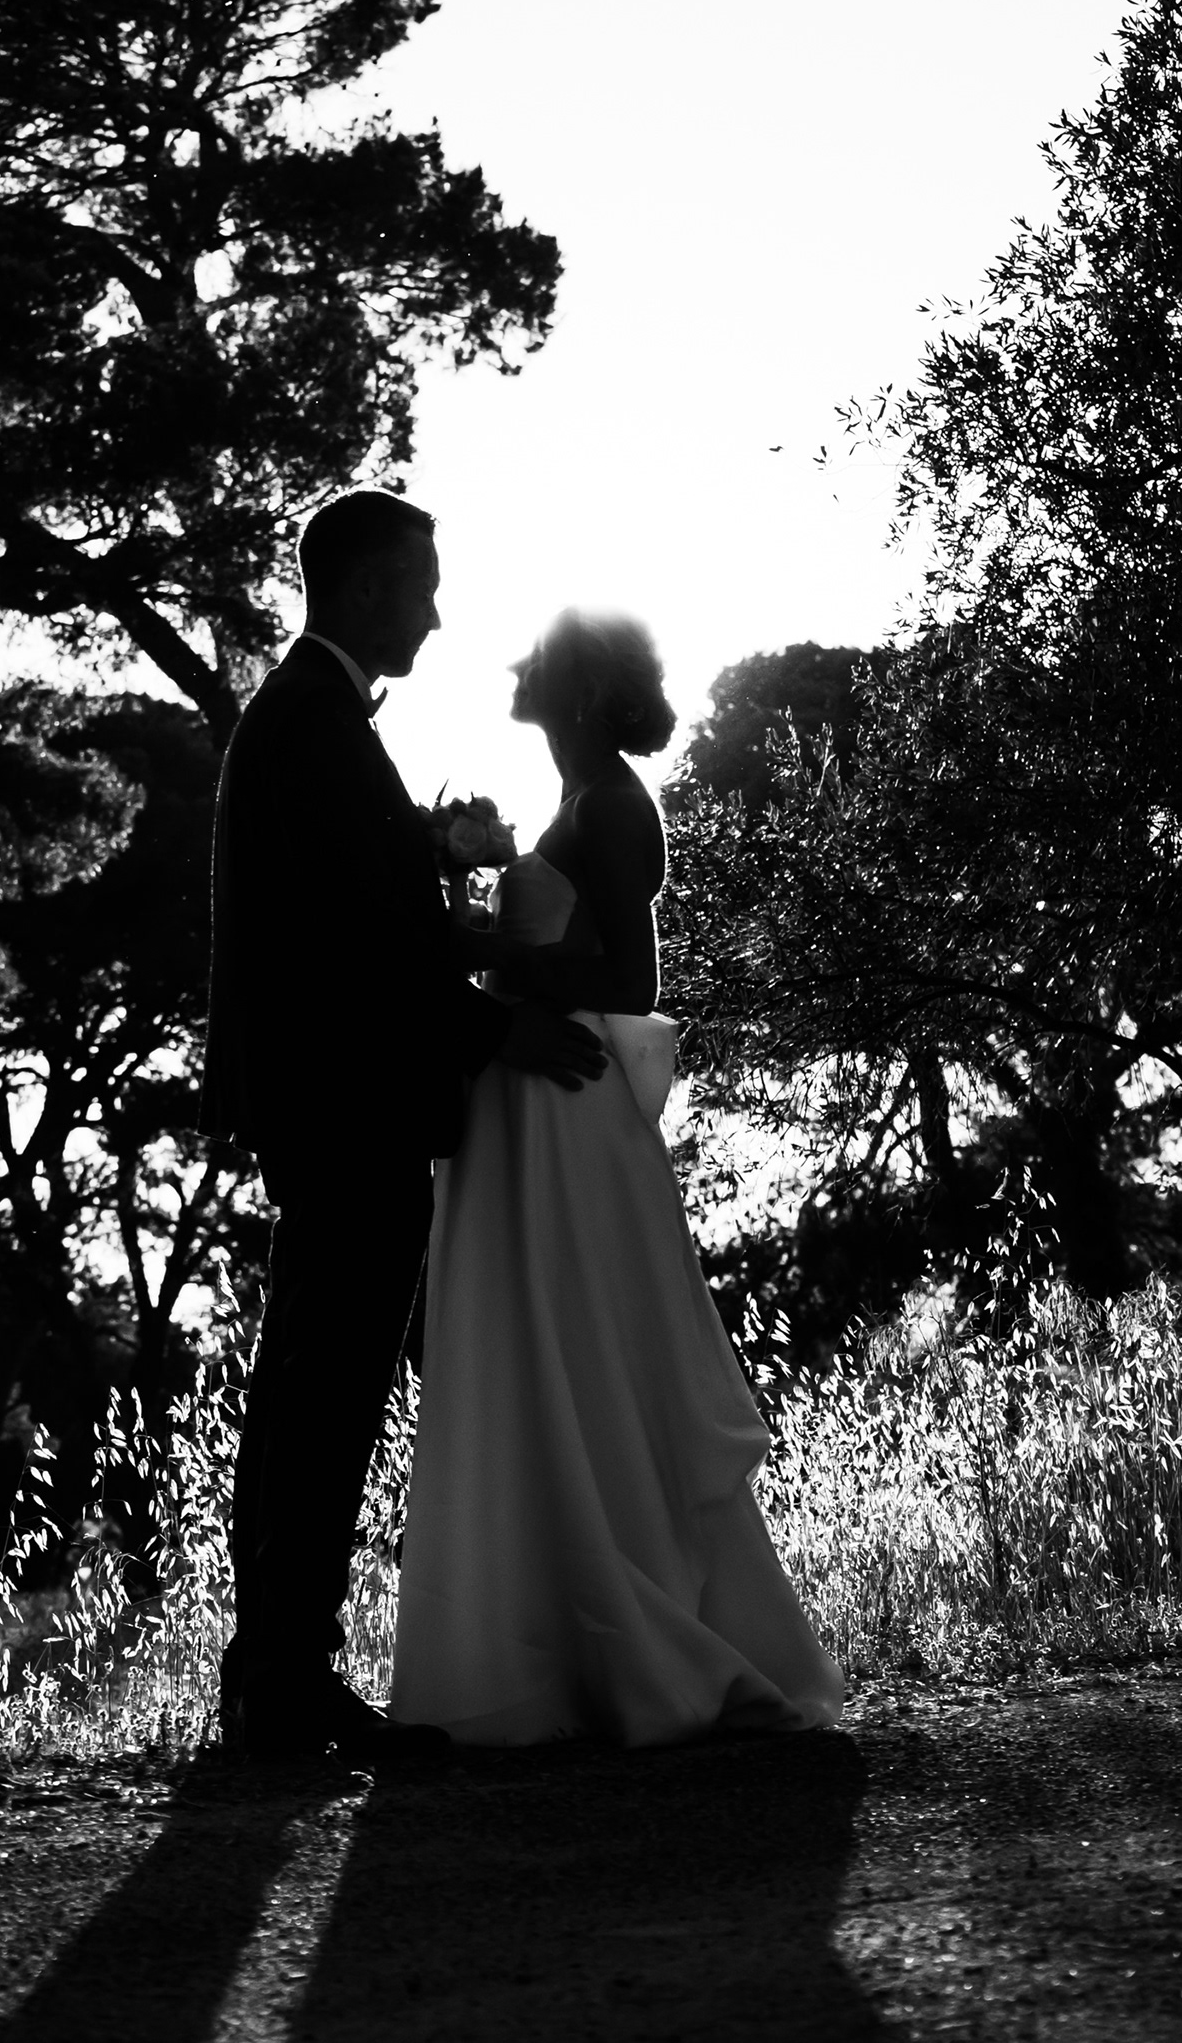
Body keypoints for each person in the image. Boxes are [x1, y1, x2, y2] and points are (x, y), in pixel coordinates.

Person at [387, 607, 846, 1745]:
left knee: (590, 1342)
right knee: (544, 1353)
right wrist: (465, 905)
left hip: (569, 1099)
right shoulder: (574, 805)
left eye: (540, 660)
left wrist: (476, 950)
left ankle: (649, 1625)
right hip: (529, 1100)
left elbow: (626, 976)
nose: (515, 664)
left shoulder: (616, 808)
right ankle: (568, 1636)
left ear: (583, 694)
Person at [206, 489, 606, 1762]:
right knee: (326, 1392)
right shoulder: (312, 726)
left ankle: (275, 1677)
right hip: (349, 1101)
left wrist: (438, 875)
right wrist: (499, 1028)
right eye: (422, 584)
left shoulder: (307, 722)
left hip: (332, 1097)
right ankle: (285, 1684)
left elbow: (371, 908)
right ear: (369, 586)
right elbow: (357, 943)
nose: (437, 610)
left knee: (306, 1389)